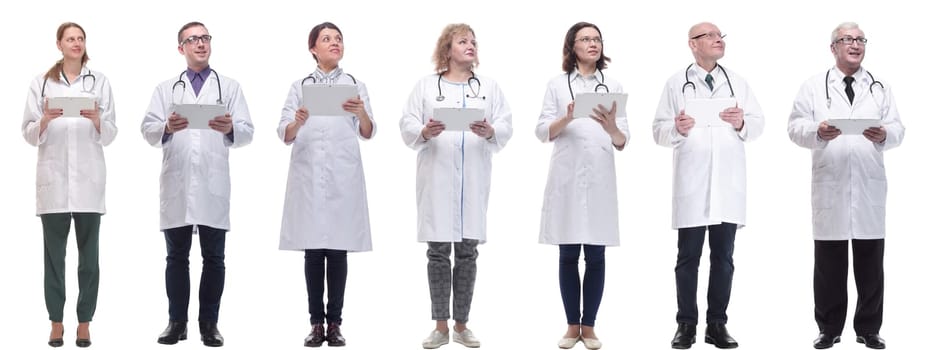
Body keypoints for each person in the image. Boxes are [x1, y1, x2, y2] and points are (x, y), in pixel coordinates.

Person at [787, 22, 904, 350]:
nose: (855, 44)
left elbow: (898, 128)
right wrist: (817, 132)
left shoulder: (880, 87)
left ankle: (868, 329)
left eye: (860, 39)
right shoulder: (813, 87)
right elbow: (794, 127)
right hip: (831, 185)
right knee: (829, 265)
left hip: (868, 187)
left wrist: (885, 135)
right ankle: (828, 329)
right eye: (847, 39)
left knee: (870, 264)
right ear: (833, 47)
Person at [399, 23, 512, 349]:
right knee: (437, 253)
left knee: (467, 253)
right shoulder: (425, 86)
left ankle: (462, 325)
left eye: (474, 41)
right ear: (447, 50)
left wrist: (490, 130)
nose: (471, 45)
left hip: (473, 180)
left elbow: (506, 123)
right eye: (463, 41)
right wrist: (425, 131)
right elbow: (407, 122)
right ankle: (439, 326)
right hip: (437, 179)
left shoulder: (488, 87)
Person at [141, 21, 254, 347]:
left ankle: (209, 324)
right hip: (177, 181)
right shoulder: (166, 89)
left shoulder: (229, 87)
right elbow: (148, 129)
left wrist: (231, 127)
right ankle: (177, 323)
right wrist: (167, 127)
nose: (201, 44)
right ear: (181, 48)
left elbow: (247, 130)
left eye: (205, 38)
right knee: (176, 258)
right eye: (193, 40)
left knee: (214, 258)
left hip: (212, 182)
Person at [652, 22, 764, 350]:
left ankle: (717, 324)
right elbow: (657, 131)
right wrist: (677, 128)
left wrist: (742, 122)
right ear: (693, 44)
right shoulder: (676, 84)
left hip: (727, 186)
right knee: (687, 258)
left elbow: (758, 123)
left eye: (720, 36)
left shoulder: (737, 83)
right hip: (693, 183)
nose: (718, 40)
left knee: (724, 258)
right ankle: (686, 325)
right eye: (710, 36)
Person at [277, 22, 376, 348]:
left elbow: (368, 131)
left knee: (336, 250)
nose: (334, 43)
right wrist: (298, 121)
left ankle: (335, 324)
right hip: (308, 173)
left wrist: (361, 112)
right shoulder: (299, 86)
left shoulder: (355, 85)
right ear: (313, 49)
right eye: (327, 39)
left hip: (341, 175)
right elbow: (284, 133)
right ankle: (315, 324)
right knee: (312, 250)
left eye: (338, 39)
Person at [22, 22, 117, 349]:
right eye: (70, 39)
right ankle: (56, 322)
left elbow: (112, 132)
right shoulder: (41, 83)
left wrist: (96, 120)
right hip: (54, 184)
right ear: (59, 44)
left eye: (80, 38)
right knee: (54, 260)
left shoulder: (99, 82)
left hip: (89, 182)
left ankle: (85, 323)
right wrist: (46, 119)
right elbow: (28, 132)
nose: (76, 43)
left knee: (89, 259)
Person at [535, 22, 628, 350]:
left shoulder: (612, 84)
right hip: (567, 177)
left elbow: (621, 141)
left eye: (597, 39)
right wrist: (568, 117)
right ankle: (571, 325)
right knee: (568, 252)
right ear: (571, 47)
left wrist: (614, 127)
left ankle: (589, 327)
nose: (593, 44)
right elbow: (542, 130)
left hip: (600, 177)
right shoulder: (558, 85)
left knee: (597, 254)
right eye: (586, 39)